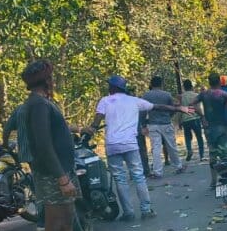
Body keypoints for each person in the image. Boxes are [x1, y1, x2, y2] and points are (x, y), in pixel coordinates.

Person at [15, 60, 103, 231]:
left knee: (67, 222)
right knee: (54, 226)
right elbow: (43, 145)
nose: (53, 81)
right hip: (52, 174)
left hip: (63, 170)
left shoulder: (43, 103)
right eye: (51, 78)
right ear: (46, 81)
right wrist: (62, 178)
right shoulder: (38, 105)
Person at [85, 76, 192, 221]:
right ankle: (146, 210)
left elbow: (97, 120)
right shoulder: (134, 101)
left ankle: (128, 213)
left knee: (120, 179)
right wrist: (178, 108)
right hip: (130, 144)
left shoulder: (105, 101)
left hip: (113, 145)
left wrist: (91, 129)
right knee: (139, 176)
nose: (108, 88)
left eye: (109, 85)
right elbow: (158, 107)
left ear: (113, 88)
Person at [187, 73, 227, 188]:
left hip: (209, 129)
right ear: (219, 82)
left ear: (209, 82)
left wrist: (202, 116)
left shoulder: (204, 94)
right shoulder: (224, 95)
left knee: (212, 154)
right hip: (222, 127)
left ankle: (213, 181)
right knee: (224, 154)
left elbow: (190, 104)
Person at [142, 76, 185, 178]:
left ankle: (157, 172)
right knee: (171, 146)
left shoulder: (146, 96)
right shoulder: (167, 95)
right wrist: (169, 116)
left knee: (156, 148)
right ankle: (178, 166)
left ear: (151, 84)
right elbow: (173, 108)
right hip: (166, 123)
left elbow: (143, 111)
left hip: (153, 124)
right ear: (161, 84)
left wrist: (143, 124)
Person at [180, 79, 206, 162]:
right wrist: (202, 116)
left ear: (184, 87)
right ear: (191, 86)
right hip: (195, 118)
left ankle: (189, 150)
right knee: (199, 137)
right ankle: (201, 155)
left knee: (187, 137)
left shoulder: (181, 97)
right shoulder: (196, 95)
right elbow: (198, 107)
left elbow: (179, 109)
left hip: (185, 119)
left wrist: (180, 121)